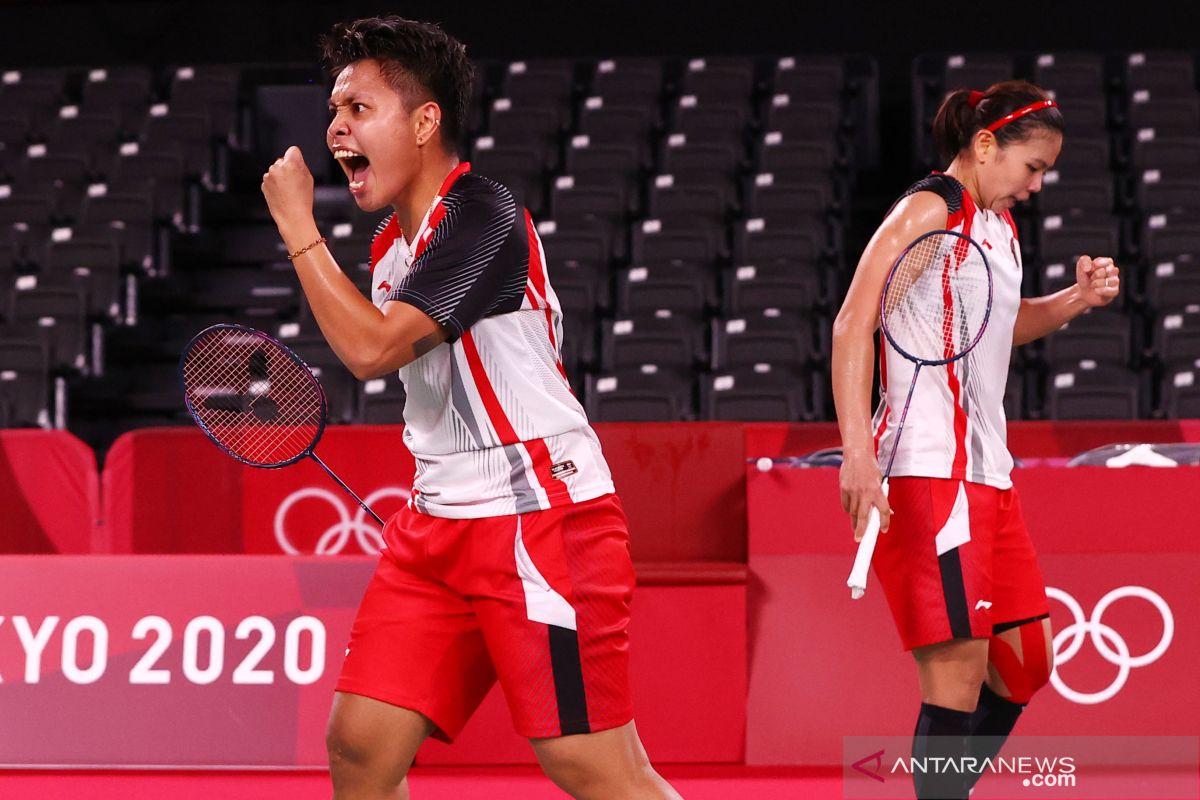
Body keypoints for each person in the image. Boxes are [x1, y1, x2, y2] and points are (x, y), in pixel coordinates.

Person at [260, 15, 682, 800]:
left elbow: (372, 350)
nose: (336, 128)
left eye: (359, 109)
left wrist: (296, 226)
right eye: (334, 110)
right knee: (359, 746)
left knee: (592, 765)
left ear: (425, 122)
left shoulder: (483, 215)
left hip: (542, 517)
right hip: (436, 529)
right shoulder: (389, 245)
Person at [831, 80, 1120, 799]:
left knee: (1024, 665)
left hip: (990, 474)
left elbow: (1001, 322)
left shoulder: (996, 227)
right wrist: (858, 459)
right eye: (1034, 167)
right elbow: (853, 323)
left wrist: (1075, 301)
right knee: (956, 675)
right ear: (986, 145)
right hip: (930, 470)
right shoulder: (930, 209)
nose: (1037, 185)